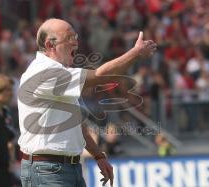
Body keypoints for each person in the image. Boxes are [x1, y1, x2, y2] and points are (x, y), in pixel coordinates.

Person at [17, 18, 156, 187]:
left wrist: (98, 155)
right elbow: (98, 76)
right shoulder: (44, 73)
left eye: (75, 36)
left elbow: (74, 123)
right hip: (46, 170)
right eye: (68, 38)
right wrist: (135, 53)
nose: (75, 42)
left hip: (64, 167)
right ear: (50, 45)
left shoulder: (59, 73)